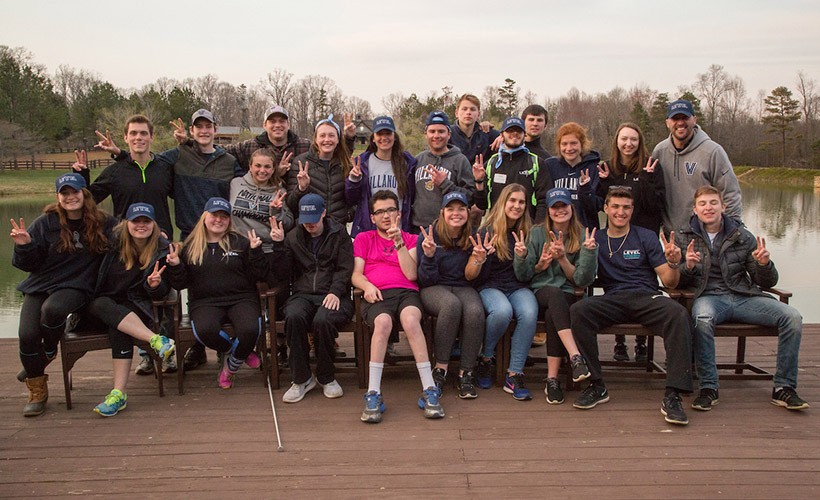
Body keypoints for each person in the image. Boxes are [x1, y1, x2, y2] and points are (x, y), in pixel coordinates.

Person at [569, 187, 693, 425]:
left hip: (646, 296)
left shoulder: (645, 236)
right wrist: (586, 254)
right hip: (613, 297)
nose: (620, 212)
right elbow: (582, 278)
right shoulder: (597, 238)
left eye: (626, 207)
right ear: (605, 208)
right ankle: (596, 385)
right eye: (615, 206)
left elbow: (668, 281)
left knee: (677, 314)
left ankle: (674, 394)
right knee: (579, 310)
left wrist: (674, 263)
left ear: (632, 210)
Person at [677, 186, 807, 411]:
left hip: (743, 296)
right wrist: (687, 266)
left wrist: (764, 264)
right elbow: (677, 282)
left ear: (723, 207)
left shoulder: (742, 236)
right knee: (703, 318)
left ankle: (784, 387)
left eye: (713, 203)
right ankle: (709, 387)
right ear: (695, 210)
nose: (709, 208)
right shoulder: (684, 236)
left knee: (792, 317)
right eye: (703, 204)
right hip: (708, 297)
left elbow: (766, 282)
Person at [11, 173, 115, 417]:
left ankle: (46, 352)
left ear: (84, 194)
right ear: (58, 197)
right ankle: (38, 389)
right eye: (64, 193)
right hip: (41, 284)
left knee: (54, 310)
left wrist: (158, 238)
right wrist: (24, 245)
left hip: (77, 286)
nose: (70, 197)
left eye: (75, 192)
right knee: (26, 334)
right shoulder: (45, 223)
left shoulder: (103, 222)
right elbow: (28, 264)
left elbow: (130, 237)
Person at [352, 190, 443, 422]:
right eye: (380, 211)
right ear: (372, 217)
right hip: (377, 294)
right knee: (382, 323)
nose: (386, 215)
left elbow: (412, 274)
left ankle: (430, 389)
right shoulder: (364, 239)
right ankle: (373, 392)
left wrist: (398, 242)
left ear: (399, 214)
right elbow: (356, 274)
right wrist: (367, 286)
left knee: (412, 321)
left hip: (406, 293)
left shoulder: (411, 238)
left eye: (391, 210)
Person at [166, 198, 267, 389]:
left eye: (224, 216)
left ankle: (229, 369)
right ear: (205, 217)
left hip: (241, 298)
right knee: (204, 330)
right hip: (205, 302)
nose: (218, 220)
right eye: (214, 215)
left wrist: (255, 252)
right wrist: (176, 266)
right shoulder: (190, 246)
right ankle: (241, 353)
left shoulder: (240, 242)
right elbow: (180, 284)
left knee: (249, 330)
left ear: (229, 220)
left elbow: (258, 275)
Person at [85, 203, 176, 416]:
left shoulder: (162, 249)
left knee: (119, 327)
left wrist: (155, 285)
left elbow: (164, 292)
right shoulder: (109, 244)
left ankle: (118, 393)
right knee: (101, 304)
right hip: (100, 307)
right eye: (136, 221)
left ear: (154, 224)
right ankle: (156, 340)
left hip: (135, 309)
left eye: (146, 221)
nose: (141, 225)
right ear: (127, 224)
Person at [514, 188, 597, 404]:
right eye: (555, 207)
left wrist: (562, 259)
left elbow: (581, 280)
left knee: (555, 311)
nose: (560, 210)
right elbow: (524, 275)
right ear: (549, 211)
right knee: (553, 296)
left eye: (564, 206)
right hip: (540, 292)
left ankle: (552, 379)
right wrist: (531, 260)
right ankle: (575, 356)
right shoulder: (536, 232)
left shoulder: (582, 235)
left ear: (571, 208)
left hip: (568, 294)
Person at [270, 194, 354, 403]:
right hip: (303, 293)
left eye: (314, 220)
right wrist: (279, 246)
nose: (309, 225)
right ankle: (301, 379)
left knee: (322, 320)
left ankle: (327, 377)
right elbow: (283, 273)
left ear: (323, 213)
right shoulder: (292, 237)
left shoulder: (339, 233)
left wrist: (335, 291)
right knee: (293, 315)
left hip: (334, 293)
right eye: (305, 220)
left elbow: (345, 267)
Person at [598, 122, 667, 363]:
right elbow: (603, 202)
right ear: (616, 141)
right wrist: (604, 183)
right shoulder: (608, 168)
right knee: (614, 282)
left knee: (644, 284)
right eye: (624, 139)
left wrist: (647, 180)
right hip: (615, 237)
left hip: (644, 237)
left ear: (640, 142)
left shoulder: (651, 167)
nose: (629, 144)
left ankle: (641, 342)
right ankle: (619, 341)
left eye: (633, 139)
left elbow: (655, 205)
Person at [469, 184, 540, 401]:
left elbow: (526, 276)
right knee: (502, 311)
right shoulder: (486, 231)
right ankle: (486, 358)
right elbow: (476, 278)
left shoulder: (529, 232)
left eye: (521, 202)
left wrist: (523, 257)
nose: (517, 206)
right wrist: (485, 259)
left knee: (529, 312)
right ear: (503, 203)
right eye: (512, 201)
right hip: (490, 286)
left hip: (517, 286)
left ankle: (514, 373)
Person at [417, 191, 485, 399]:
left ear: (467, 212)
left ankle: (466, 372)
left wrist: (479, 260)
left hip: (464, 286)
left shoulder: (474, 235)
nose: (456, 213)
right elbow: (424, 280)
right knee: (451, 304)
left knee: (474, 310)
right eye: (450, 209)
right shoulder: (429, 234)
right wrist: (428, 257)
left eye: (461, 209)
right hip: (434, 287)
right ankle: (441, 368)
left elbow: (474, 278)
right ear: (442, 212)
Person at [652, 99, 742, 234]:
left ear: (694, 119)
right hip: (671, 236)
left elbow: (730, 194)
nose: (680, 122)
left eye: (685, 117)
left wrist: (730, 231)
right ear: (667, 123)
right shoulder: (659, 151)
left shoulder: (713, 152)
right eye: (675, 118)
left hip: (704, 236)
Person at [229, 148, 294, 286]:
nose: (262, 170)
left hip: (266, 250)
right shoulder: (235, 184)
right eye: (258, 165)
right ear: (250, 166)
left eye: (267, 167)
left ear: (273, 169)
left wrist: (276, 212)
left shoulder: (280, 191)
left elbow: (288, 223)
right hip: (238, 248)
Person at [346, 115, 418, 237]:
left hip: (398, 232)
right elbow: (351, 199)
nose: (384, 138)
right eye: (379, 134)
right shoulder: (363, 163)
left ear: (394, 137)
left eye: (388, 133)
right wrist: (354, 180)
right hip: (370, 233)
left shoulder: (407, 163)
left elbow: (413, 197)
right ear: (373, 138)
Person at [474, 117, 553, 223]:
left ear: (524, 135)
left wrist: (537, 229)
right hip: (497, 227)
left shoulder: (536, 163)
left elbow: (544, 200)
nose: (515, 134)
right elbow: (482, 204)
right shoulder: (491, 164)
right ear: (501, 135)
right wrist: (479, 182)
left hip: (526, 228)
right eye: (510, 131)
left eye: (519, 131)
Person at [412, 111, 477, 229]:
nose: (436, 136)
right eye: (432, 131)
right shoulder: (418, 159)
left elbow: (471, 197)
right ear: (425, 134)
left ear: (449, 134)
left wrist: (445, 184)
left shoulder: (460, 160)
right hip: (418, 228)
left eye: (441, 131)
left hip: (449, 229)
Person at [286, 115, 354, 226]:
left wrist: (348, 215)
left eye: (331, 135)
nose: (327, 140)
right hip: (310, 228)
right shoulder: (301, 163)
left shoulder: (345, 164)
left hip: (337, 229)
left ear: (338, 139)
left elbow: (354, 199)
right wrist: (301, 188)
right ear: (316, 139)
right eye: (322, 136)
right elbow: (291, 205)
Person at [546, 122, 602, 230]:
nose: (569, 148)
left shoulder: (594, 168)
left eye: (573, 143)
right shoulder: (550, 166)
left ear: (582, 144)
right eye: (564, 144)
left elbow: (598, 206)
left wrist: (586, 189)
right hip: (558, 231)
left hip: (586, 231)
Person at [448, 93, 500, 165]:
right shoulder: (447, 134)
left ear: (478, 114)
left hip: (482, 175)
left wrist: (502, 136)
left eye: (472, 109)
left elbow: (511, 136)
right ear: (456, 113)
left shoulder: (486, 133)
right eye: (464, 109)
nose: (468, 112)